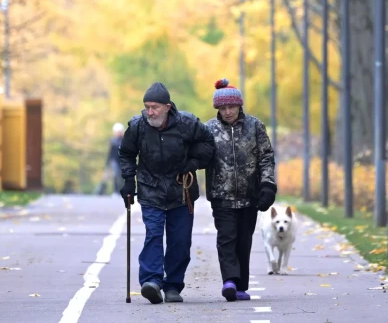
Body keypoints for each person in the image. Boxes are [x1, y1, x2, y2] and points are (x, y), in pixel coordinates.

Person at [118, 82, 215, 304]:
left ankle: (173, 285)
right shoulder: (137, 126)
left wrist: (193, 162)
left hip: (182, 191)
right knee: (153, 234)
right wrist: (127, 181)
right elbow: (126, 153)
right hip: (150, 189)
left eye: (154, 107)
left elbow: (208, 143)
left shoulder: (188, 124)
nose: (149, 112)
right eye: (147, 107)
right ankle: (151, 281)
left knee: (180, 241)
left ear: (167, 107)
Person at [204, 78, 276, 302]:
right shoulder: (209, 129)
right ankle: (230, 281)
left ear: (239, 106)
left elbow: (266, 157)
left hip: (250, 196)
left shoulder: (255, 126)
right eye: (223, 108)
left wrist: (267, 185)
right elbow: (200, 155)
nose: (227, 112)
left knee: (244, 241)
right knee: (226, 238)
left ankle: (241, 285)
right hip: (221, 195)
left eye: (231, 107)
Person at [100, 122, 125, 196]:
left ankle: (122, 191)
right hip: (114, 161)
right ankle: (116, 191)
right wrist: (107, 164)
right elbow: (110, 153)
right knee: (116, 175)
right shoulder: (113, 141)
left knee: (123, 176)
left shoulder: (125, 140)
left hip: (123, 160)